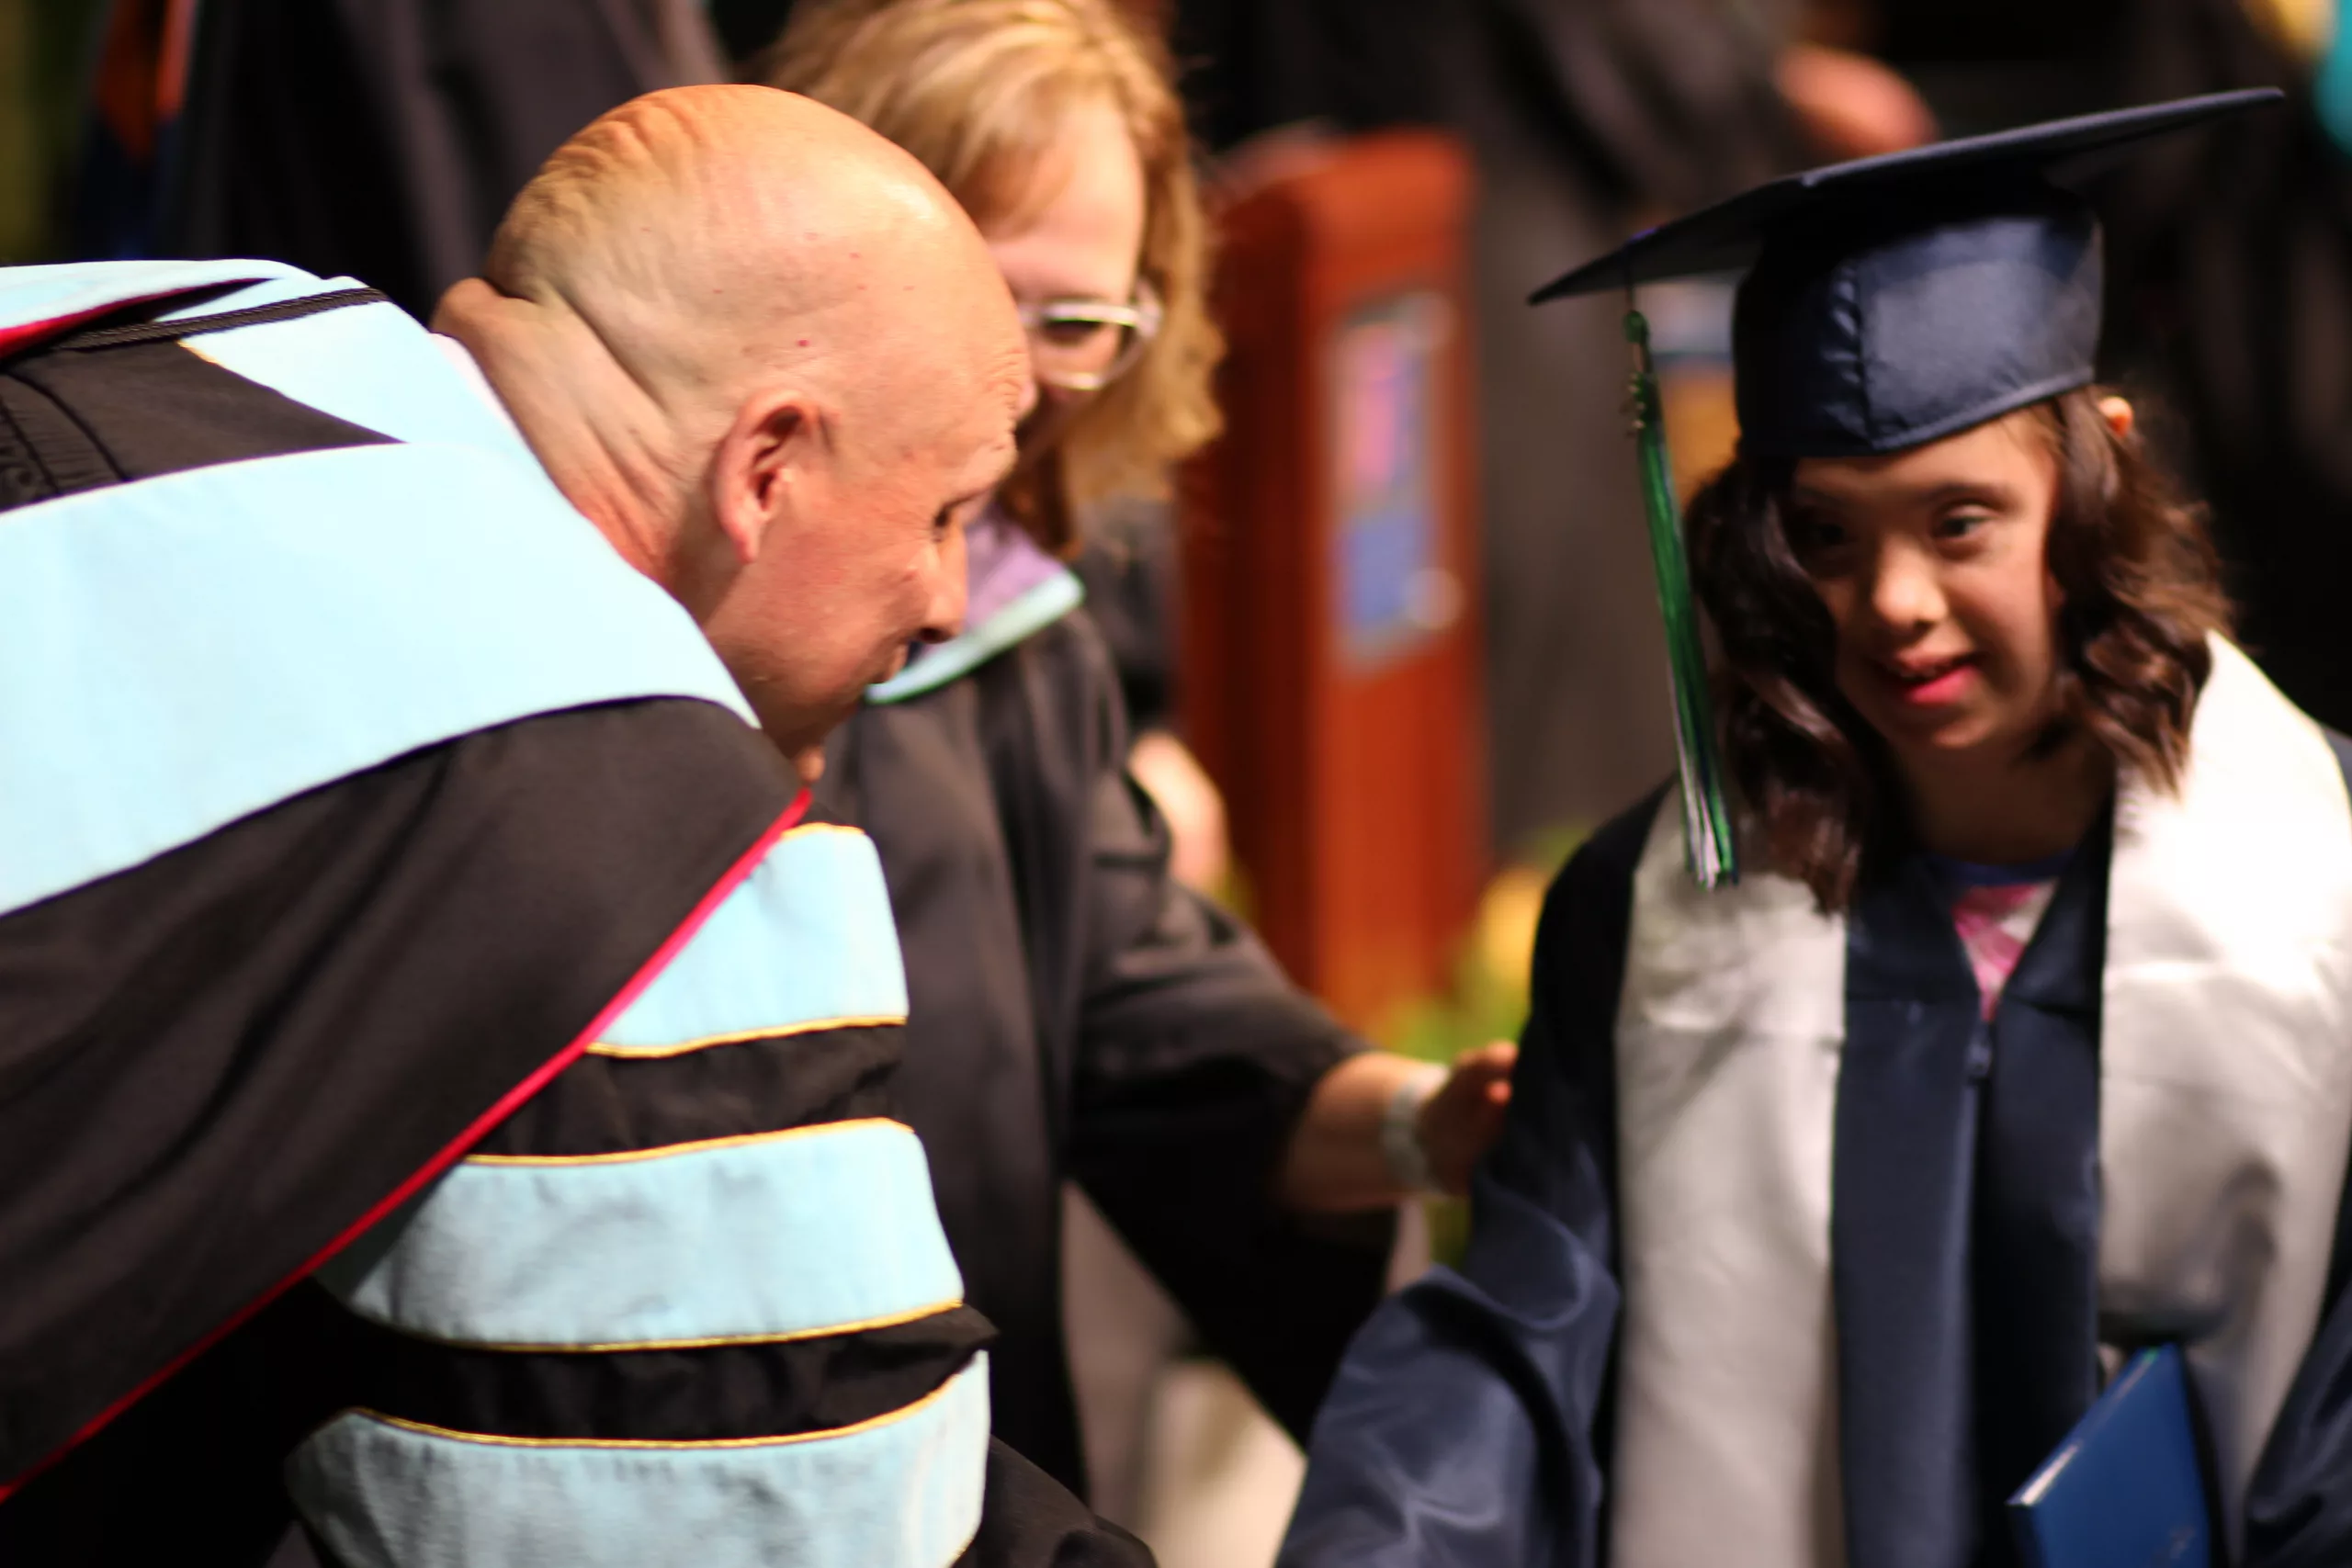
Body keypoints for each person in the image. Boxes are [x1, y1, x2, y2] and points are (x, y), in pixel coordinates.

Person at [0, 85, 1144, 1567]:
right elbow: (771, 1516)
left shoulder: (159, 335)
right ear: (769, 466)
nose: (943, 600)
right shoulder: (617, 817)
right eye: (944, 513)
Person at [1281, 89, 2352, 1568]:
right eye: (1827, 538)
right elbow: (1531, 1327)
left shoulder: (2328, 875)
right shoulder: (1649, 906)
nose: (1891, 603)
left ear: (2092, 469)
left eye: (1958, 520)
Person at [755, 0, 1516, 1499]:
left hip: (969, 1449)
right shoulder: (667, 665)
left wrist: (1433, 1122)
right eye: (982, 294)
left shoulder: (1026, 647)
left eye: (1081, 323)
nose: (1028, 383)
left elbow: (1161, 1035)